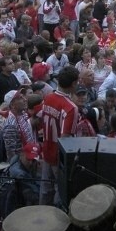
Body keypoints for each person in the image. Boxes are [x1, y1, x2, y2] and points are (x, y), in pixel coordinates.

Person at [39, 65, 79, 206]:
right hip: (58, 158)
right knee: (60, 192)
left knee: (45, 191)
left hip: (46, 151)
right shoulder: (71, 108)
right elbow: (66, 139)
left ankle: (40, 220)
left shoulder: (48, 97)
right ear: (74, 83)